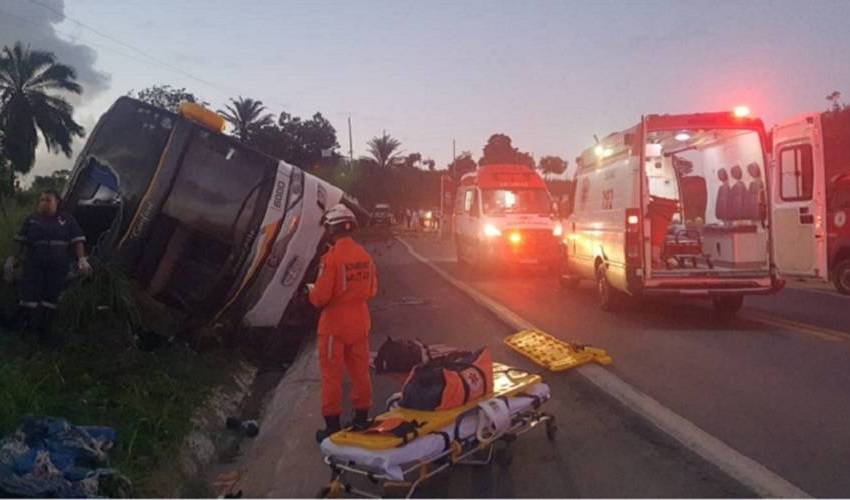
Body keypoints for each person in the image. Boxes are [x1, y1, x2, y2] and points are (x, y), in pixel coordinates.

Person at [309, 204, 378, 443]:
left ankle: (332, 426)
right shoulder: (364, 256)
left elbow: (320, 297)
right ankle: (361, 418)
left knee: (332, 375)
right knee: (360, 372)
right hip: (359, 322)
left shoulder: (331, 258)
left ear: (331, 229)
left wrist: (310, 292)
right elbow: (372, 289)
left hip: (334, 326)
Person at [12, 190, 92, 344]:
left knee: (51, 298)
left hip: (57, 266)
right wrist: (15, 259)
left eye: (47, 200)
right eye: (41, 200)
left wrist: (82, 259)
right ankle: (25, 331)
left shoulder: (67, 220)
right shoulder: (32, 220)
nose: (43, 203)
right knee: (29, 297)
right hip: (34, 264)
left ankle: (44, 333)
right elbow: (22, 242)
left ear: (57, 202)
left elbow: (78, 240)